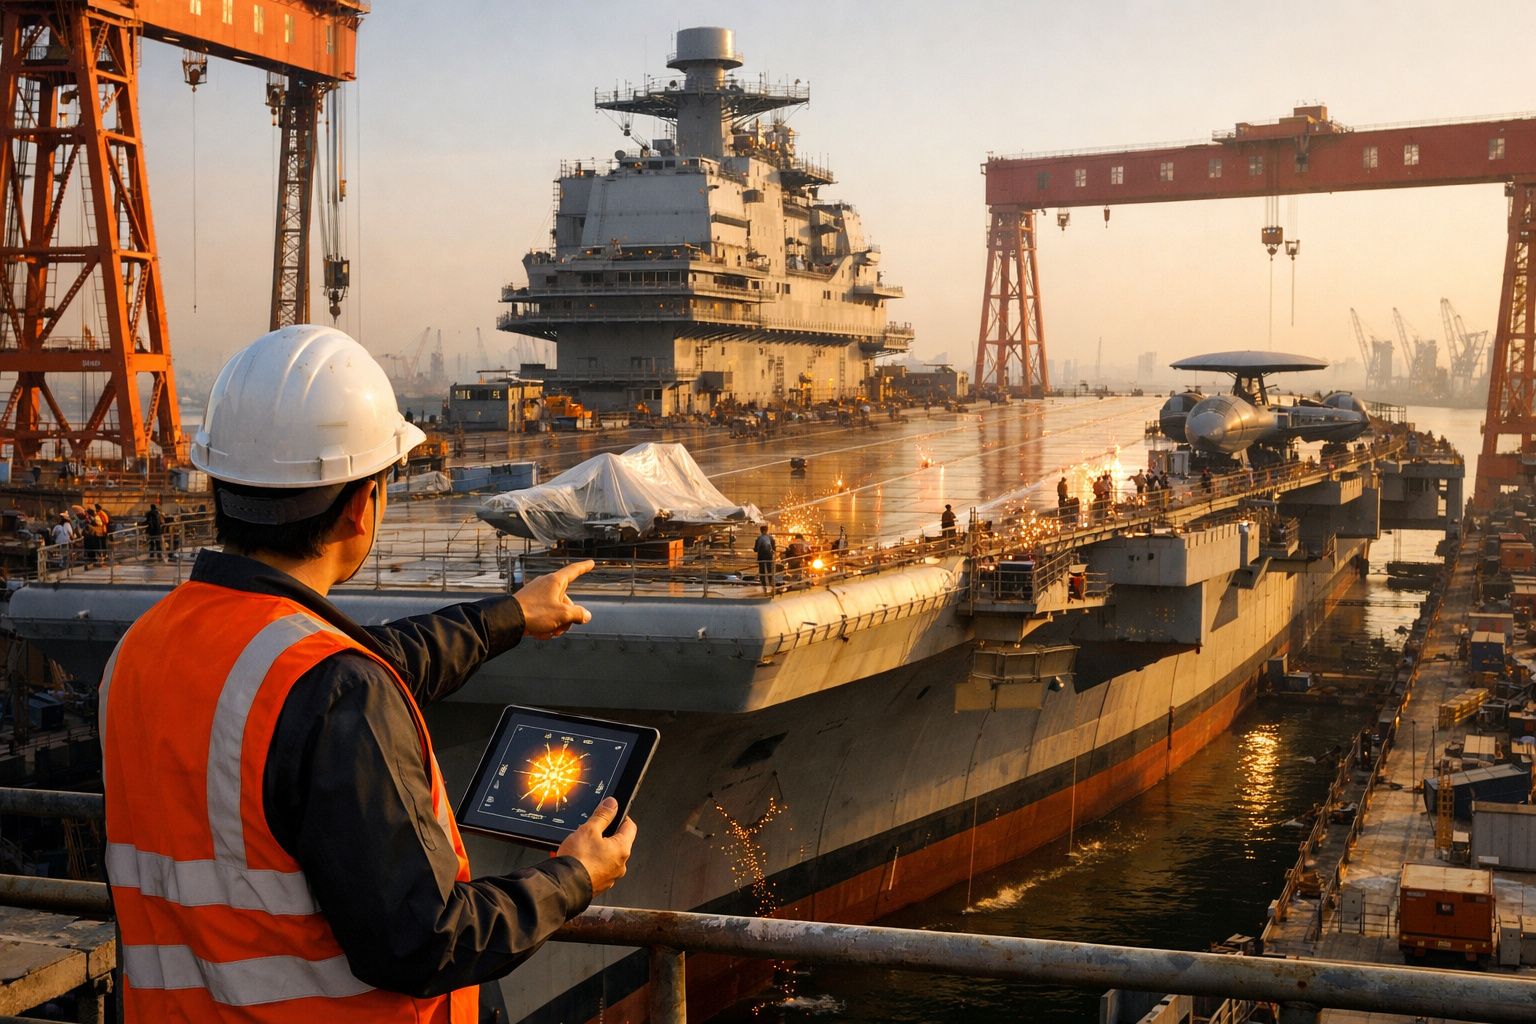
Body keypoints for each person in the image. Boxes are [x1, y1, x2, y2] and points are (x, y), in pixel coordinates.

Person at [100, 326, 635, 1023]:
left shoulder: (142, 650)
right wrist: (574, 877)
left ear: (221, 484)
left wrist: (508, 616)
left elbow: (352, 673)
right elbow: (425, 941)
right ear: (362, 506)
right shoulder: (329, 688)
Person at [753, 524, 776, 592]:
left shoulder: (759, 538)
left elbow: (756, 549)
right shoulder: (771, 538)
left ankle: (763, 584)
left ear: (761, 531)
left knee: (762, 570)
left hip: (761, 556)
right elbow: (774, 548)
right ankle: (770, 583)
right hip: (769, 556)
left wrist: (754, 549)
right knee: (769, 569)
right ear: (767, 530)